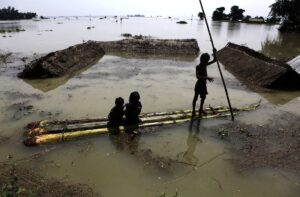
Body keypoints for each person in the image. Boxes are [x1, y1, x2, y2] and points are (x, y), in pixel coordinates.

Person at [192, 49, 217, 117]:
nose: (207, 62)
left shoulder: (205, 64)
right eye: (206, 61)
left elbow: (215, 60)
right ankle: (193, 111)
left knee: (203, 97)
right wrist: (207, 78)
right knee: (195, 98)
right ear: (202, 60)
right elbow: (198, 76)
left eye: (207, 61)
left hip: (203, 84)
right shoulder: (198, 67)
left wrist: (214, 52)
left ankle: (200, 109)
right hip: (199, 84)